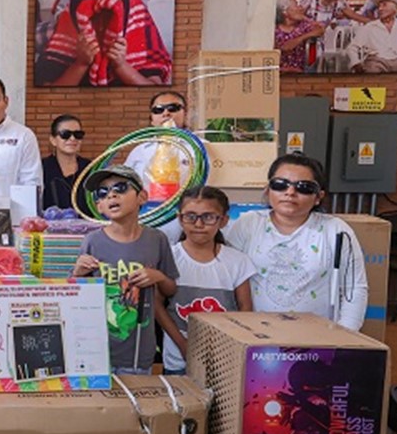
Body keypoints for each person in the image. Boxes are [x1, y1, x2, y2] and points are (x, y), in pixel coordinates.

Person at [225, 153, 368, 331]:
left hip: (318, 338)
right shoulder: (248, 224)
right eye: (280, 184)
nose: (290, 193)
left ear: (318, 197)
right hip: (256, 336)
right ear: (267, 190)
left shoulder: (337, 230)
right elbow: (227, 279)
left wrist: (344, 336)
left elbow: (354, 289)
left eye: (304, 187)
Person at [71, 165, 178, 375]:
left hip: (139, 352)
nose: (111, 194)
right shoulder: (92, 242)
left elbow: (171, 289)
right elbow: (75, 296)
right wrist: (78, 273)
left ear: (142, 197)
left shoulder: (157, 240)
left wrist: (157, 277)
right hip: (95, 352)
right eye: (102, 193)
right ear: (99, 206)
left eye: (120, 188)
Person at [153, 186, 256, 375]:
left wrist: (230, 347)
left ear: (223, 220)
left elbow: (245, 311)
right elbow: (157, 305)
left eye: (208, 217)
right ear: (179, 218)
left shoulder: (237, 261)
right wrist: (182, 344)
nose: (198, 224)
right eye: (190, 216)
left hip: (225, 359)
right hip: (178, 358)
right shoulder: (169, 257)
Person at [36, 0, 173, 86]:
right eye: (93, 19)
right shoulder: (65, 46)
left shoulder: (139, 45)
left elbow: (155, 90)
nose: (101, 27)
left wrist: (121, 65)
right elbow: (47, 90)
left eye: (109, 18)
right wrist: (80, 64)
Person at [347, 0, 397, 74]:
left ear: (394, 9)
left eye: (384, 5)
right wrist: (356, 64)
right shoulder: (370, 27)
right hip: (376, 62)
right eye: (379, 6)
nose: (380, 9)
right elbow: (352, 48)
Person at [40, 114, 91, 211]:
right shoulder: (41, 168)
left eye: (78, 135)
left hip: (87, 225)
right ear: (53, 140)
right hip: (49, 224)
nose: (72, 139)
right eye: (65, 134)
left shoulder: (90, 168)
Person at [275, 0, 324, 73]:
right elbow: (284, 48)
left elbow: (320, 29)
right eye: (296, 6)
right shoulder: (275, 29)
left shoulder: (302, 25)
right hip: (279, 71)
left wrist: (300, 38)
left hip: (300, 71)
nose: (300, 8)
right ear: (285, 12)